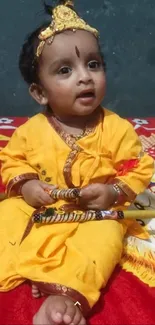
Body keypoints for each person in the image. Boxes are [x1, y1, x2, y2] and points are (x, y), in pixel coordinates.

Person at [0, 1, 154, 324]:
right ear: (39, 92)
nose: (85, 78)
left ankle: (66, 297)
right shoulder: (31, 131)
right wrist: (27, 186)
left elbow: (139, 165)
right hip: (42, 211)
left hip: (93, 214)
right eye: (65, 70)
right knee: (7, 213)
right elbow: (11, 160)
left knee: (107, 235)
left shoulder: (116, 129)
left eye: (93, 65)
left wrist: (113, 193)